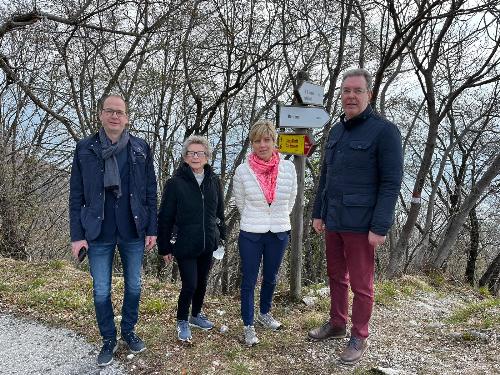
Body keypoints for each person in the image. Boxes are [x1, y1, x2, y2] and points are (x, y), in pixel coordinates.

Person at [308, 68, 403, 364]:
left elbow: (391, 183)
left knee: (362, 286)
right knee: (336, 276)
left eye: (357, 91)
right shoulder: (336, 131)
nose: (350, 96)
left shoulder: (385, 132)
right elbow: (326, 175)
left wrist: (380, 225)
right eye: (346, 91)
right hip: (334, 219)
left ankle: (359, 335)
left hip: (363, 224)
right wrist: (318, 212)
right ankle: (337, 323)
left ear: (368, 95)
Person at [69, 95, 157, 367]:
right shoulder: (85, 148)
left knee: (133, 285)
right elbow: (76, 195)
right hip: (98, 230)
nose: (115, 116)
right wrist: (77, 235)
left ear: (127, 117)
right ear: (101, 115)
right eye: (110, 111)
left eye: (120, 112)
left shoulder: (141, 147)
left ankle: (129, 331)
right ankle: (109, 339)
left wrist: (152, 228)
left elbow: (151, 192)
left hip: (133, 228)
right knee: (101, 290)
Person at [232, 120, 297, 346]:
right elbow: (240, 201)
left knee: (271, 277)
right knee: (249, 279)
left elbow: (291, 199)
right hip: (251, 232)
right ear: (252, 143)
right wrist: (257, 218)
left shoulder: (288, 168)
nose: (262, 145)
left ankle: (265, 313)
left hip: (278, 231)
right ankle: (248, 324)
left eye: (267, 140)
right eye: (257, 141)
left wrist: (277, 218)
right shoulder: (242, 170)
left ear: (274, 141)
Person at [157, 135, 225, 343]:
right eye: (191, 153)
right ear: (185, 157)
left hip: (208, 242)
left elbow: (219, 213)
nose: (196, 156)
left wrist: (221, 237)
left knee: (202, 282)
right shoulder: (175, 183)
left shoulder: (214, 181)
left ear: (207, 156)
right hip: (185, 244)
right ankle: (182, 320)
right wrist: (164, 246)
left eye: (200, 153)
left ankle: (196, 315)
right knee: (190, 284)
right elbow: (165, 217)